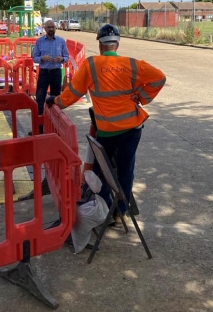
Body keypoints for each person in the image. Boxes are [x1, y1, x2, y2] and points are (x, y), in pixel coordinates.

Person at [47, 24, 166, 223]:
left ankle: (103, 208)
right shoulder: (133, 64)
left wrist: (56, 101)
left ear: (100, 46)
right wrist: (141, 97)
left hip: (108, 131)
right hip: (132, 128)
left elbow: (74, 92)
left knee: (99, 171)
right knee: (125, 170)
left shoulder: (92, 65)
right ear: (117, 44)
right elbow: (159, 78)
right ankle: (121, 212)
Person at [32, 19, 69, 134]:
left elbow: (67, 56)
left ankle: (54, 126)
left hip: (56, 73)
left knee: (55, 99)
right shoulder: (39, 42)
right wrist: (41, 58)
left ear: (55, 28)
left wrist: (62, 59)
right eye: (49, 27)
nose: (51, 29)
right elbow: (34, 57)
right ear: (44, 28)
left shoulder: (61, 41)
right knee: (40, 99)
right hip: (44, 73)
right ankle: (39, 126)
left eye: (53, 27)